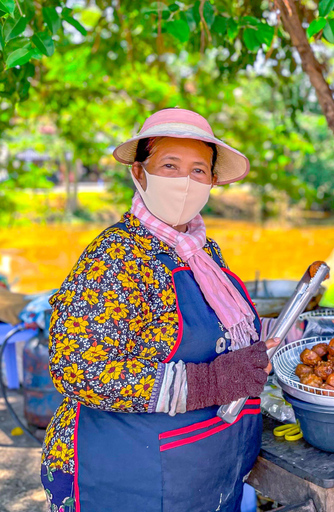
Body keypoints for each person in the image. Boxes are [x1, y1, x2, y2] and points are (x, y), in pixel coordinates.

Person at [42, 108, 278, 512]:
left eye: (199, 170)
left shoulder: (204, 252)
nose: (185, 182)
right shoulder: (114, 257)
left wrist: (277, 337)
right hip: (124, 474)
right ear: (139, 173)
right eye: (169, 165)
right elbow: (77, 368)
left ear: (213, 181)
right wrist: (208, 383)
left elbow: (218, 332)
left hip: (199, 466)